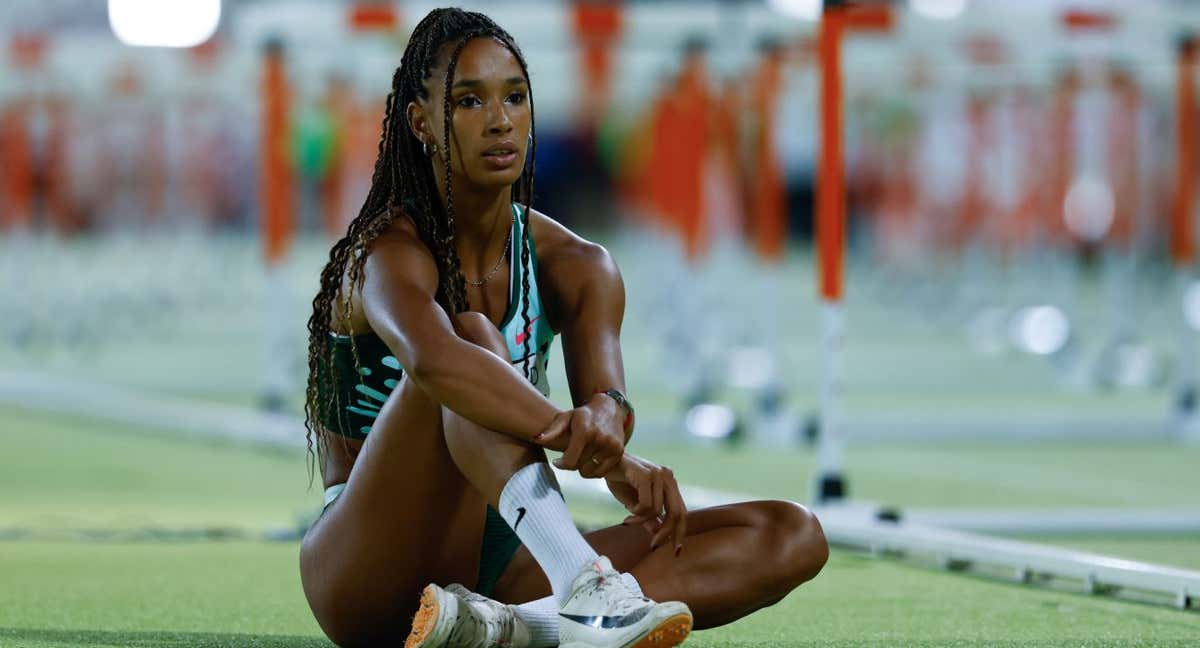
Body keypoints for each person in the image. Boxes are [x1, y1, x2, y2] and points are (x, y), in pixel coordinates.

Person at [298, 8, 828, 648]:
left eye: (515, 98)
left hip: (497, 560)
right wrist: (567, 430)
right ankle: (584, 588)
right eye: (469, 101)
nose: (500, 120)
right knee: (474, 338)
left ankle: (517, 630)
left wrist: (608, 420)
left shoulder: (579, 264)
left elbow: (608, 399)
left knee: (791, 533)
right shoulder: (385, 254)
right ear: (420, 123)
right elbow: (437, 360)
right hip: (364, 573)